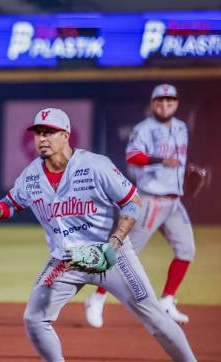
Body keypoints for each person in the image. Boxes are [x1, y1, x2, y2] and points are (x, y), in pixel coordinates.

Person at [0, 107, 221, 362]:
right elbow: (11, 204)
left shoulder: (95, 166)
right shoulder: (30, 176)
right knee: (35, 317)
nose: (42, 138)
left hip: (111, 254)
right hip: (67, 260)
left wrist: (116, 242)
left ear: (66, 135)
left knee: (154, 315)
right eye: (39, 133)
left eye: (49, 132)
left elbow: (132, 203)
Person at [85, 84, 195, 328]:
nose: (165, 105)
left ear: (176, 103)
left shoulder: (181, 128)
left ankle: (167, 300)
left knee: (186, 250)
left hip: (174, 201)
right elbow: (132, 156)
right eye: (160, 101)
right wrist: (160, 160)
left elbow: (177, 162)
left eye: (170, 100)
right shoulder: (144, 129)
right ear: (153, 103)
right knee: (123, 250)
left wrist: (186, 173)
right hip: (150, 200)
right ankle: (97, 297)